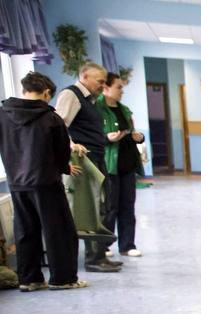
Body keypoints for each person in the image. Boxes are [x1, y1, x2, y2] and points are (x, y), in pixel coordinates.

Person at [0, 71, 86, 291]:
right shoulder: (51, 118)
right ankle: (63, 278)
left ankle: (29, 279)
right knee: (59, 230)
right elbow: (61, 154)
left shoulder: (3, 114)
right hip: (46, 182)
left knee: (25, 230)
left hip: (16, 183)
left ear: (24, 90)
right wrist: (64, 168)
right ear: (47, 93)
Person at [54, 61, 119, 273]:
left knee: (103, 206)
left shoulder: (90, 100)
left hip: (96, 157)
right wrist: (71, 146)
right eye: (99, 81)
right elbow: (59, 126)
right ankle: (93, 259)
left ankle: (100, 255)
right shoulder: (71, 95)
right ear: (84, 76)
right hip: (84, 160)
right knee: (92, 209)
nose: (102, 85)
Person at [95, 72, 145, 257]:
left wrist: (139, 137)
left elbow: (132, 132)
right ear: (106, 88)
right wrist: (107, 138)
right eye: (118, 87)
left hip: (128, 164)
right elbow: (93, 138)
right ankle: (104, 245)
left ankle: (127, 245)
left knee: (128, 207)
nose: (122, 91)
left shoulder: (124, 110)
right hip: (110, 166)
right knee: (110, 207)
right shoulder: (97, 109)